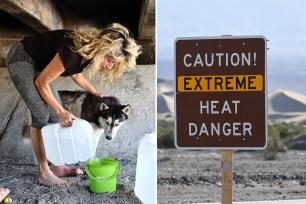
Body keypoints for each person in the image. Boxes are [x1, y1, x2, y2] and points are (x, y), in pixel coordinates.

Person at [6, 23, 141, 187]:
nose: (109, 66)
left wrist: (95, 92)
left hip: (39, 66)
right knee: (41, 114)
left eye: (114, 64)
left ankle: (57, 167)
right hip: (22, 58)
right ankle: (44, 172)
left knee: (54, 116)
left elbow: (75, 73)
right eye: (109, 60)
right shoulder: (72, 51)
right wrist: (62, 110)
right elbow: (41, 83)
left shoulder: (87, 53)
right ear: (102, 50)